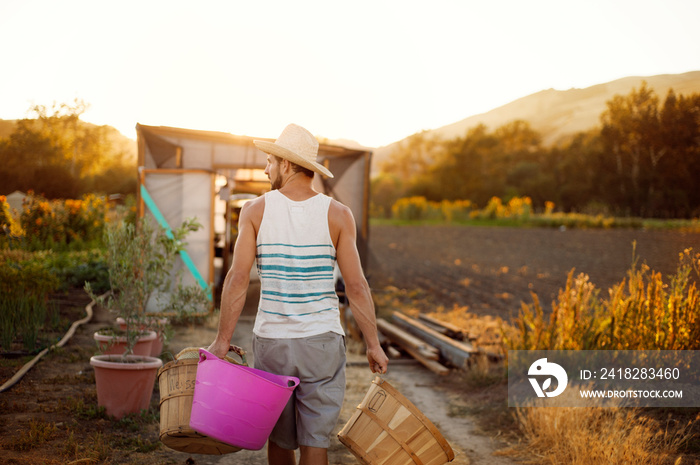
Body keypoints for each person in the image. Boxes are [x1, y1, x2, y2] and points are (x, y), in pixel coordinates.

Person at [207, 123, 388, 465]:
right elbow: (357, 286)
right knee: (314, 441)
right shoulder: (338, 214)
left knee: (279, 439)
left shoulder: (255, 211)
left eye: (270, 162)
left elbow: (237, 278)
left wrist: (221, 341)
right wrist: (373, 344)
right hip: (321, 341)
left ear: (287, 165)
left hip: (273, 341)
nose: (265, 168)